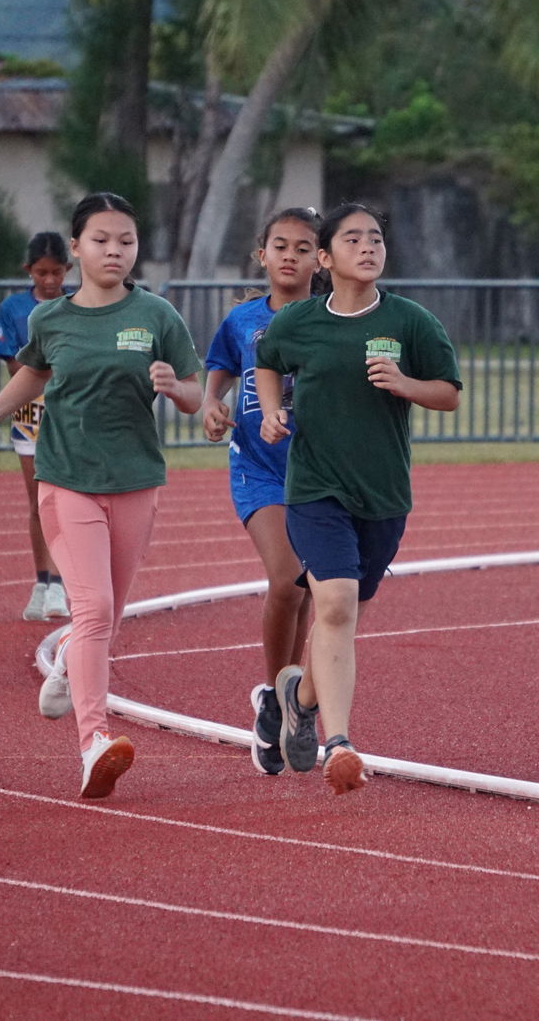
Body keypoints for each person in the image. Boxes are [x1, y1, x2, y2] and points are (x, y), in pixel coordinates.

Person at [0, 192, 203, 800]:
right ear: (75, 248)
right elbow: (34, 371)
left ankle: (69, 650)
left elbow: (199, 396)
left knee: (106, 617)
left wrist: (175, 388)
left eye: (126, 241)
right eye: (101, 240)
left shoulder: (156, 316)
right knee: (95, 607)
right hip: (66, 479)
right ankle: (94, 741)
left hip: (136, 481)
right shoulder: (49, 319)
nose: (115, 251)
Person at [255, 203, 462, 795]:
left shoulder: (412, 321)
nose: (368, 246)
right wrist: (272, 410)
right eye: (353, 238)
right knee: (337, 604)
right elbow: (267, 361)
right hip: (315, 488)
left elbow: (449, 393)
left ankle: (296, 697)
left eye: (376, 237)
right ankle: (338, 742)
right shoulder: (298, 322)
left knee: (340, 619)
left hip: (385, 495)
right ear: (326, 258)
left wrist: (405, 384)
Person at [201, 207, 322, 776]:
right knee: (285, 578)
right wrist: (209, 403)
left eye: (303, 247)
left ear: (321, 258)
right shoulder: (244, 318)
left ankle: (286, 696)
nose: (291, 256)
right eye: (281, 245)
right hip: (258, 466)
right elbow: (221, 366)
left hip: (320, 470)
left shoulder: (331, 316)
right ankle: (277, 699)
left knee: (310, 590)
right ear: (262, 254)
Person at [0, 232, 72, 621]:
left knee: (63, 499)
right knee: (38, 502)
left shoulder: (77, 304)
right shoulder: (14, 307)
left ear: (68, 270)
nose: (50, 280)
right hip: (28, 411)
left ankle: (59, 583)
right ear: (29, 271)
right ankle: (41, 581)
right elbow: (11, 363)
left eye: (57, 273)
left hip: (69, 411)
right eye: (42, 273)